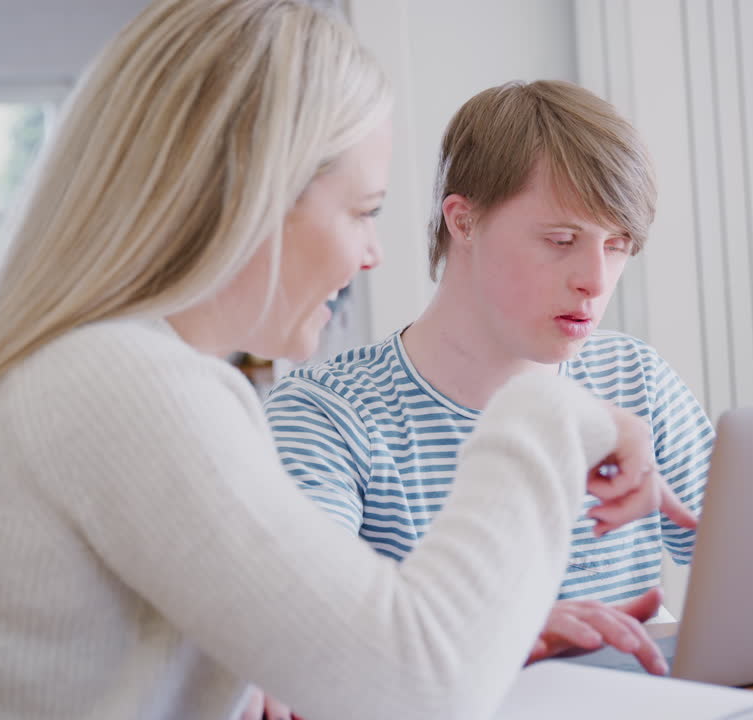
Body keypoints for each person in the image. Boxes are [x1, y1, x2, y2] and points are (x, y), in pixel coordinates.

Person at [0, 3, 690, 719]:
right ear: (249, 194)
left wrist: (490, 630)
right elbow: (417, 682)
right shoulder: (118, 385)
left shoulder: (70, 367)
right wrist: (553, 409)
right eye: (363, 211)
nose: (373, 255)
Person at [266, 80, 715, 674]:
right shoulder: (326, 414)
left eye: (616, 246)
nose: (595, 280)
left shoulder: (636, 379)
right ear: (464, 221)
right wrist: (505, 634)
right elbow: (306, 628)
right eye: (561, 240)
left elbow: (750, 571)